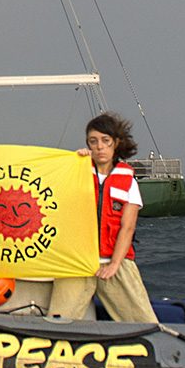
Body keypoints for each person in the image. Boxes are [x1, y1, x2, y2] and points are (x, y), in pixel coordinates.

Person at [50, 113, 158, 322]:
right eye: (93, 141)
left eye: (105, 141)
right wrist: (72, 161)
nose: (99, 147)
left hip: (114, 261)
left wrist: (114, 265)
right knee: (58, 320)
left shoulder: (129, 182)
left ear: (116, 143)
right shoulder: (77, 172)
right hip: (78, 263)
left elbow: (127, 227)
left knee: (144, 322)